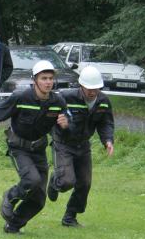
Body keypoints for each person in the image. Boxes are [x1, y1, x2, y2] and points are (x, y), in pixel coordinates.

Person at [0, 60, 68, 234]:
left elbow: (66, 126)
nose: (48, 82)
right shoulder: (20, 97)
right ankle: (10, 196)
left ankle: (13, 226)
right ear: (34, 80)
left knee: (39, 199)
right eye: (44, 78)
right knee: (32, 180)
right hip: (18, 147)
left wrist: (66, 124)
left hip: (39, 149)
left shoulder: (58, 102)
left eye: (50, 78)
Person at [47, 65, 115, 227]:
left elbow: (106, 123)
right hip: (63, 143)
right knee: (67, 181)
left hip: (83, 145)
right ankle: (55, 181)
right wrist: (58, 125)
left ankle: (70, 217)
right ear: (81, 85)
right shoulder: (65, 97)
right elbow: (49, 111)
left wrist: (108, 140)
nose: (92, 92)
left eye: (96, 88)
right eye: (89, 88)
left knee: (84, 183)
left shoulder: (103, 102)